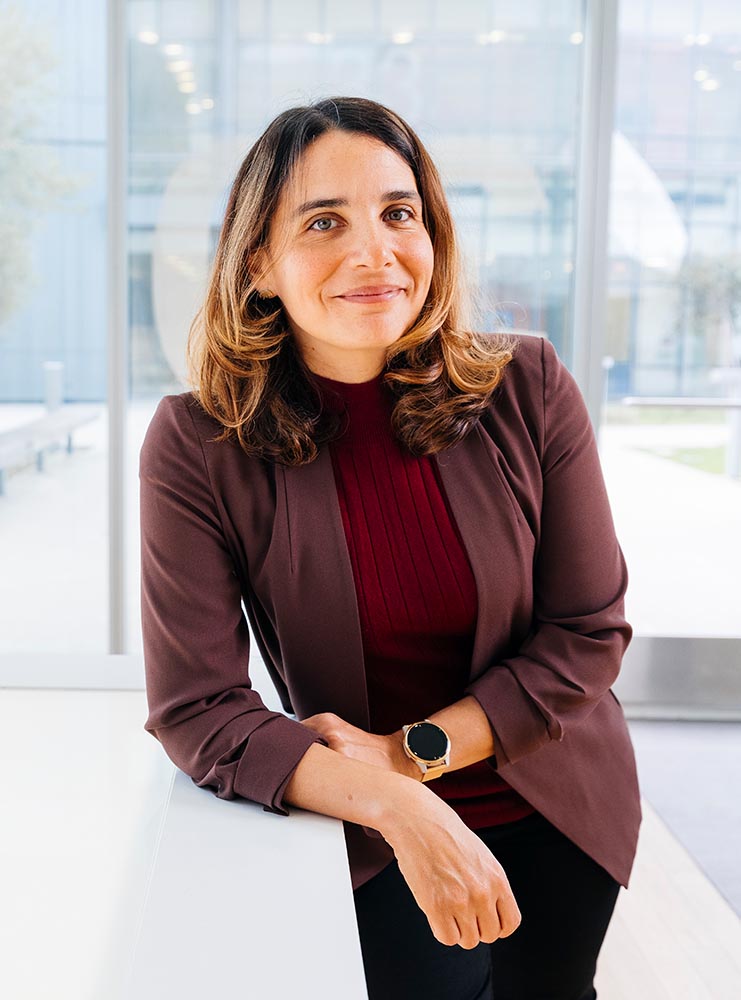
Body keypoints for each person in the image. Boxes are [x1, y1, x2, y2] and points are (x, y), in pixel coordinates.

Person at [139, 95, 642, 1000]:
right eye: (324, 221)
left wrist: (407, 754)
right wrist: (400, 803)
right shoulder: (198, 443)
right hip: (368, 834)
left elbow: (587, 634)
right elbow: (197, 709)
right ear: (258, 264)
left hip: (558, 805)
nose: (375, 252)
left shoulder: (526, 386)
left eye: (398, 212)